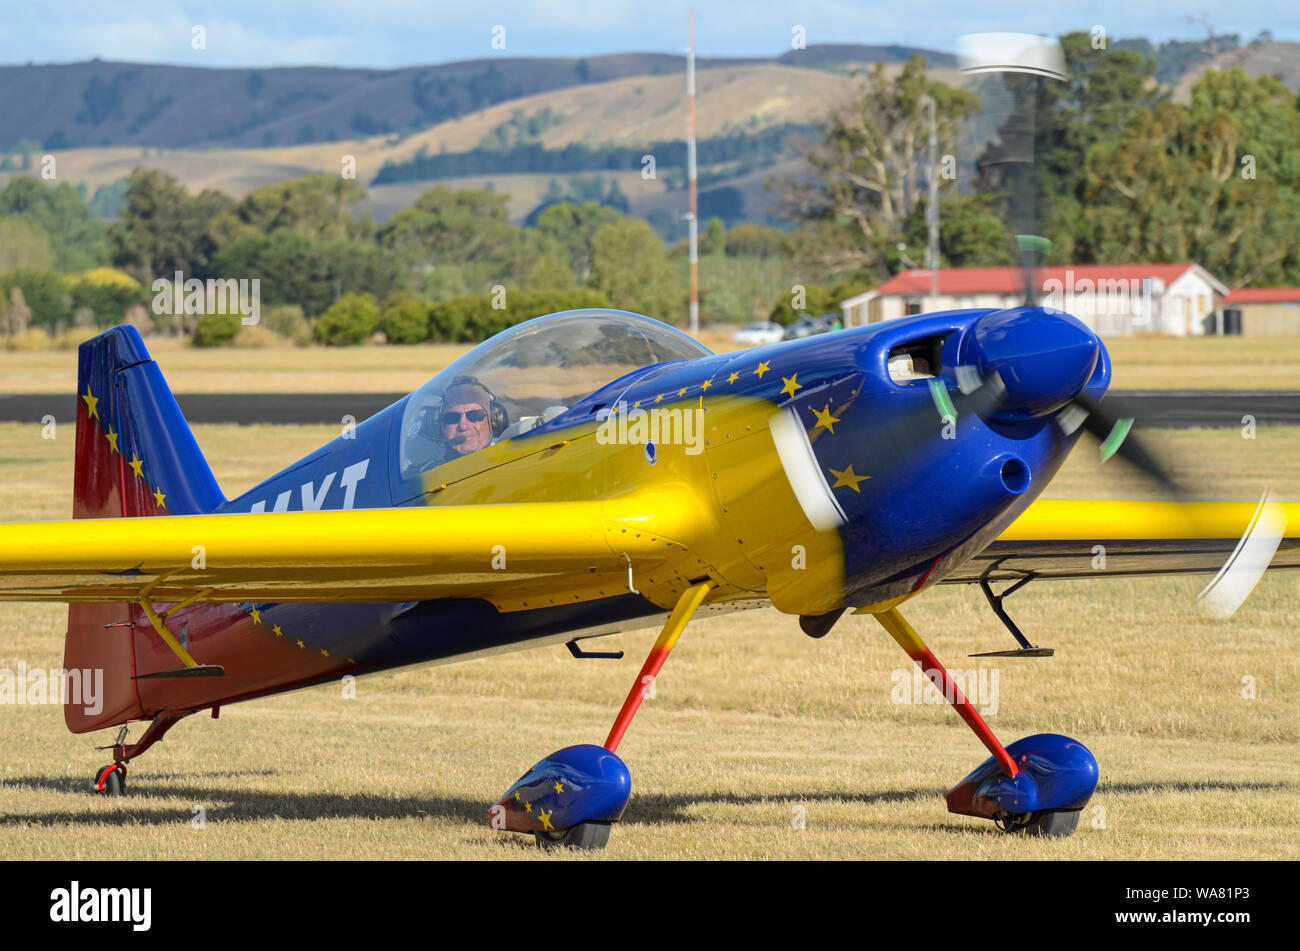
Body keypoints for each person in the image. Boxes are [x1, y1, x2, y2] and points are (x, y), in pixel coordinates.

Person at [438, 377, 499, 456]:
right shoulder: (432, 467)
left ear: (493, 420)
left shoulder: (511, 457)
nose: (463, 426)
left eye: (474, 415)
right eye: (453, 418)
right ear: (441, 427)